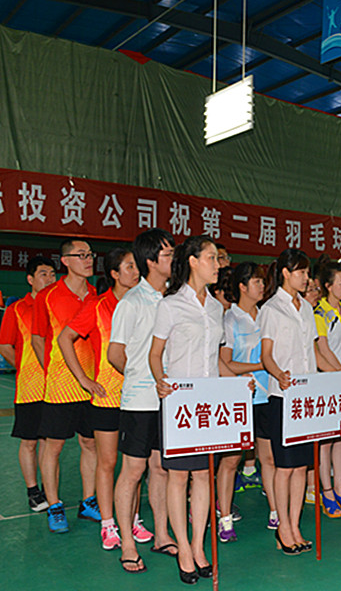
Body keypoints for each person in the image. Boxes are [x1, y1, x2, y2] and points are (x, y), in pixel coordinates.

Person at [150, 235, 244, 584]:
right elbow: (155, 354)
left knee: (204, 474)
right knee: (178, 477)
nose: (218, 265)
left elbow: (216, 360)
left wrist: (237, 384)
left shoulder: (217, 308)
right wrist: (160, 380)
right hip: (180, 403)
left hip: (210, 403)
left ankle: (199, 545)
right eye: (211, 258)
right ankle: (184, 551)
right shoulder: (170, 305)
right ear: (192, 261)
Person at [58, 248, 142, 550]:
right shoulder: (96, 306)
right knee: (108, 463)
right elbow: (64, 338)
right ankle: (108, 525)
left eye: (137, 266)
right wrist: (84, 380)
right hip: (106, 399)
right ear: (115, 274)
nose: (136, 271)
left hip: (139, 398)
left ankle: (133, 520)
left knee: (135, 464)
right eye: (129, 267)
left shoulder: (143, 304)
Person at [259, 249, 338, 555]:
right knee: (284, 466)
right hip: (282, 396)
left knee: (301, 466)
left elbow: (314, 352)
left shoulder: (306, 308)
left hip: (307, 398)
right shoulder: (271, 309)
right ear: (285, 273)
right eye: (301, 272)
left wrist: (336, 373)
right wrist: (279, 374)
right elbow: (267, 355)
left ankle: (295, 525)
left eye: (307, 272)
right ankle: (283, 528)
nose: (307, 278)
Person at [108, 228, 177, 573]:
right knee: (133, 470)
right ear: (150, 261)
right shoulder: (132, 302)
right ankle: (128, 543)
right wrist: (140, 377)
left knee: (161, 468)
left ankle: (162, 535)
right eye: (167, 255)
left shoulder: (175, 299)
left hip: (172, 401)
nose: (173, 259)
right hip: (140, 402)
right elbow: (115, 353)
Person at [31, 239, 100, 534]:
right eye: (81, 255)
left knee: (90, 443)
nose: (88, 259)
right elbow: (37, 339)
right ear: (65, 261)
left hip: (92, 386)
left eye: (90, 255)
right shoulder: (47, 296)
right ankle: (54, 505)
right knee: (54, 446)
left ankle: (88, 501)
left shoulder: (96, 295)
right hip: (59, 386)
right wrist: (52, 371)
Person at [0, 255, 56, 512]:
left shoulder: (56, 307)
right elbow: (5, 346)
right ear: (30, 279)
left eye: (52, 274)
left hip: (56, 388)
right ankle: (33, 490)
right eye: (43, 274)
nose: (49, 279)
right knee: (30, 441)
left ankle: (48, 487)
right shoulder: (17, 309)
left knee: (49, 441)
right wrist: (25, 369)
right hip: (29, 388)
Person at [219, 262, 270, 542]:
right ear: (242, 286)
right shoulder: (230, 319)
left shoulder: (267, 315)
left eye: (262, 281)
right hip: (242, 398)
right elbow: (224, 363)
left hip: (268, 396)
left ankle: (276, 513)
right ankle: (225, 518)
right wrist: (262, 365)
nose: (262, 286)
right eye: (256, 281)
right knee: (231, 461)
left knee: (269, 458)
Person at [313, 257, 341, 519]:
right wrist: (339, 371)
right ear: (328, 286)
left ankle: (339, 488)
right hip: (329, 381)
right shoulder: (320, 312)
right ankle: (326, 491)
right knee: (326, 440)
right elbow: (323, 347)